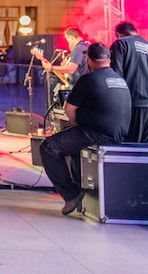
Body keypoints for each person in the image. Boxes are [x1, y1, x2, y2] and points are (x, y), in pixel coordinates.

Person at [39, 43, 131, 215]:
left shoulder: (88, 79)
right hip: (119, 134)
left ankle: (71, 195)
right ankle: (83, 195)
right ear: (109, 59)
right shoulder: (120, 79)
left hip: (95, 133)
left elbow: (69, 110)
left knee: (49, 147)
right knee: (74, 149)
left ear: (89, 60)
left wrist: (76, 122)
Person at [110, 22, 148, 143]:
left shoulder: (121, 43)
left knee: (131, 147)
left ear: (118, 34)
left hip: (134, 103)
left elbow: (116, 76)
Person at [37, 26, 89, 104]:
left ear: (71, 37)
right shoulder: (85, 46)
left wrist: (51, 67)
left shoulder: (78, 48)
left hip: (79, 87)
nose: (68, 43)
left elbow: (71, 69)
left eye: (68, 40)